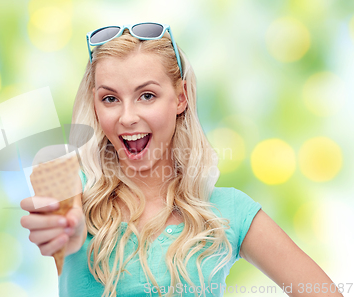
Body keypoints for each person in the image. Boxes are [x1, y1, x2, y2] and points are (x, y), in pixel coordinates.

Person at [20, 23, 343, 297]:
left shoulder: (230, 212)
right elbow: (65, 226)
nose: (127, 117)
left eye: (147, 95)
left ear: (181, 98)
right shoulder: (67, 181)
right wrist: (68, 230)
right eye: (110, 99)